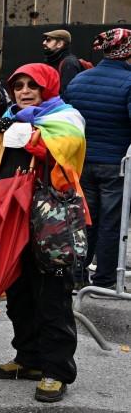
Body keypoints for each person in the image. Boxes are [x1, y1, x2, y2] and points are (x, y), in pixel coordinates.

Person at [0, 63, 84, 403]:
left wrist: (20, 131)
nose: (24, 91)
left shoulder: (67, 119)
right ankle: (28, 359)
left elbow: (61, 149)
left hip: (52, 233)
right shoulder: (11, 119)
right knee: (20, 296)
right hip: (15, 226)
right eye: (18, 86)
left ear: (48, 88)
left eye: (33, 85)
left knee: (53, 297)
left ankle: (56, 371)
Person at [63, 29, 131, 290]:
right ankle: (103, 280)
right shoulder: (129, 82)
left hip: (82, 163)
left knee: (84, 220)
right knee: (111, 223)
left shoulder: (80, 80)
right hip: (116, 164)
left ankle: (78, 277)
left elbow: (67, 120)